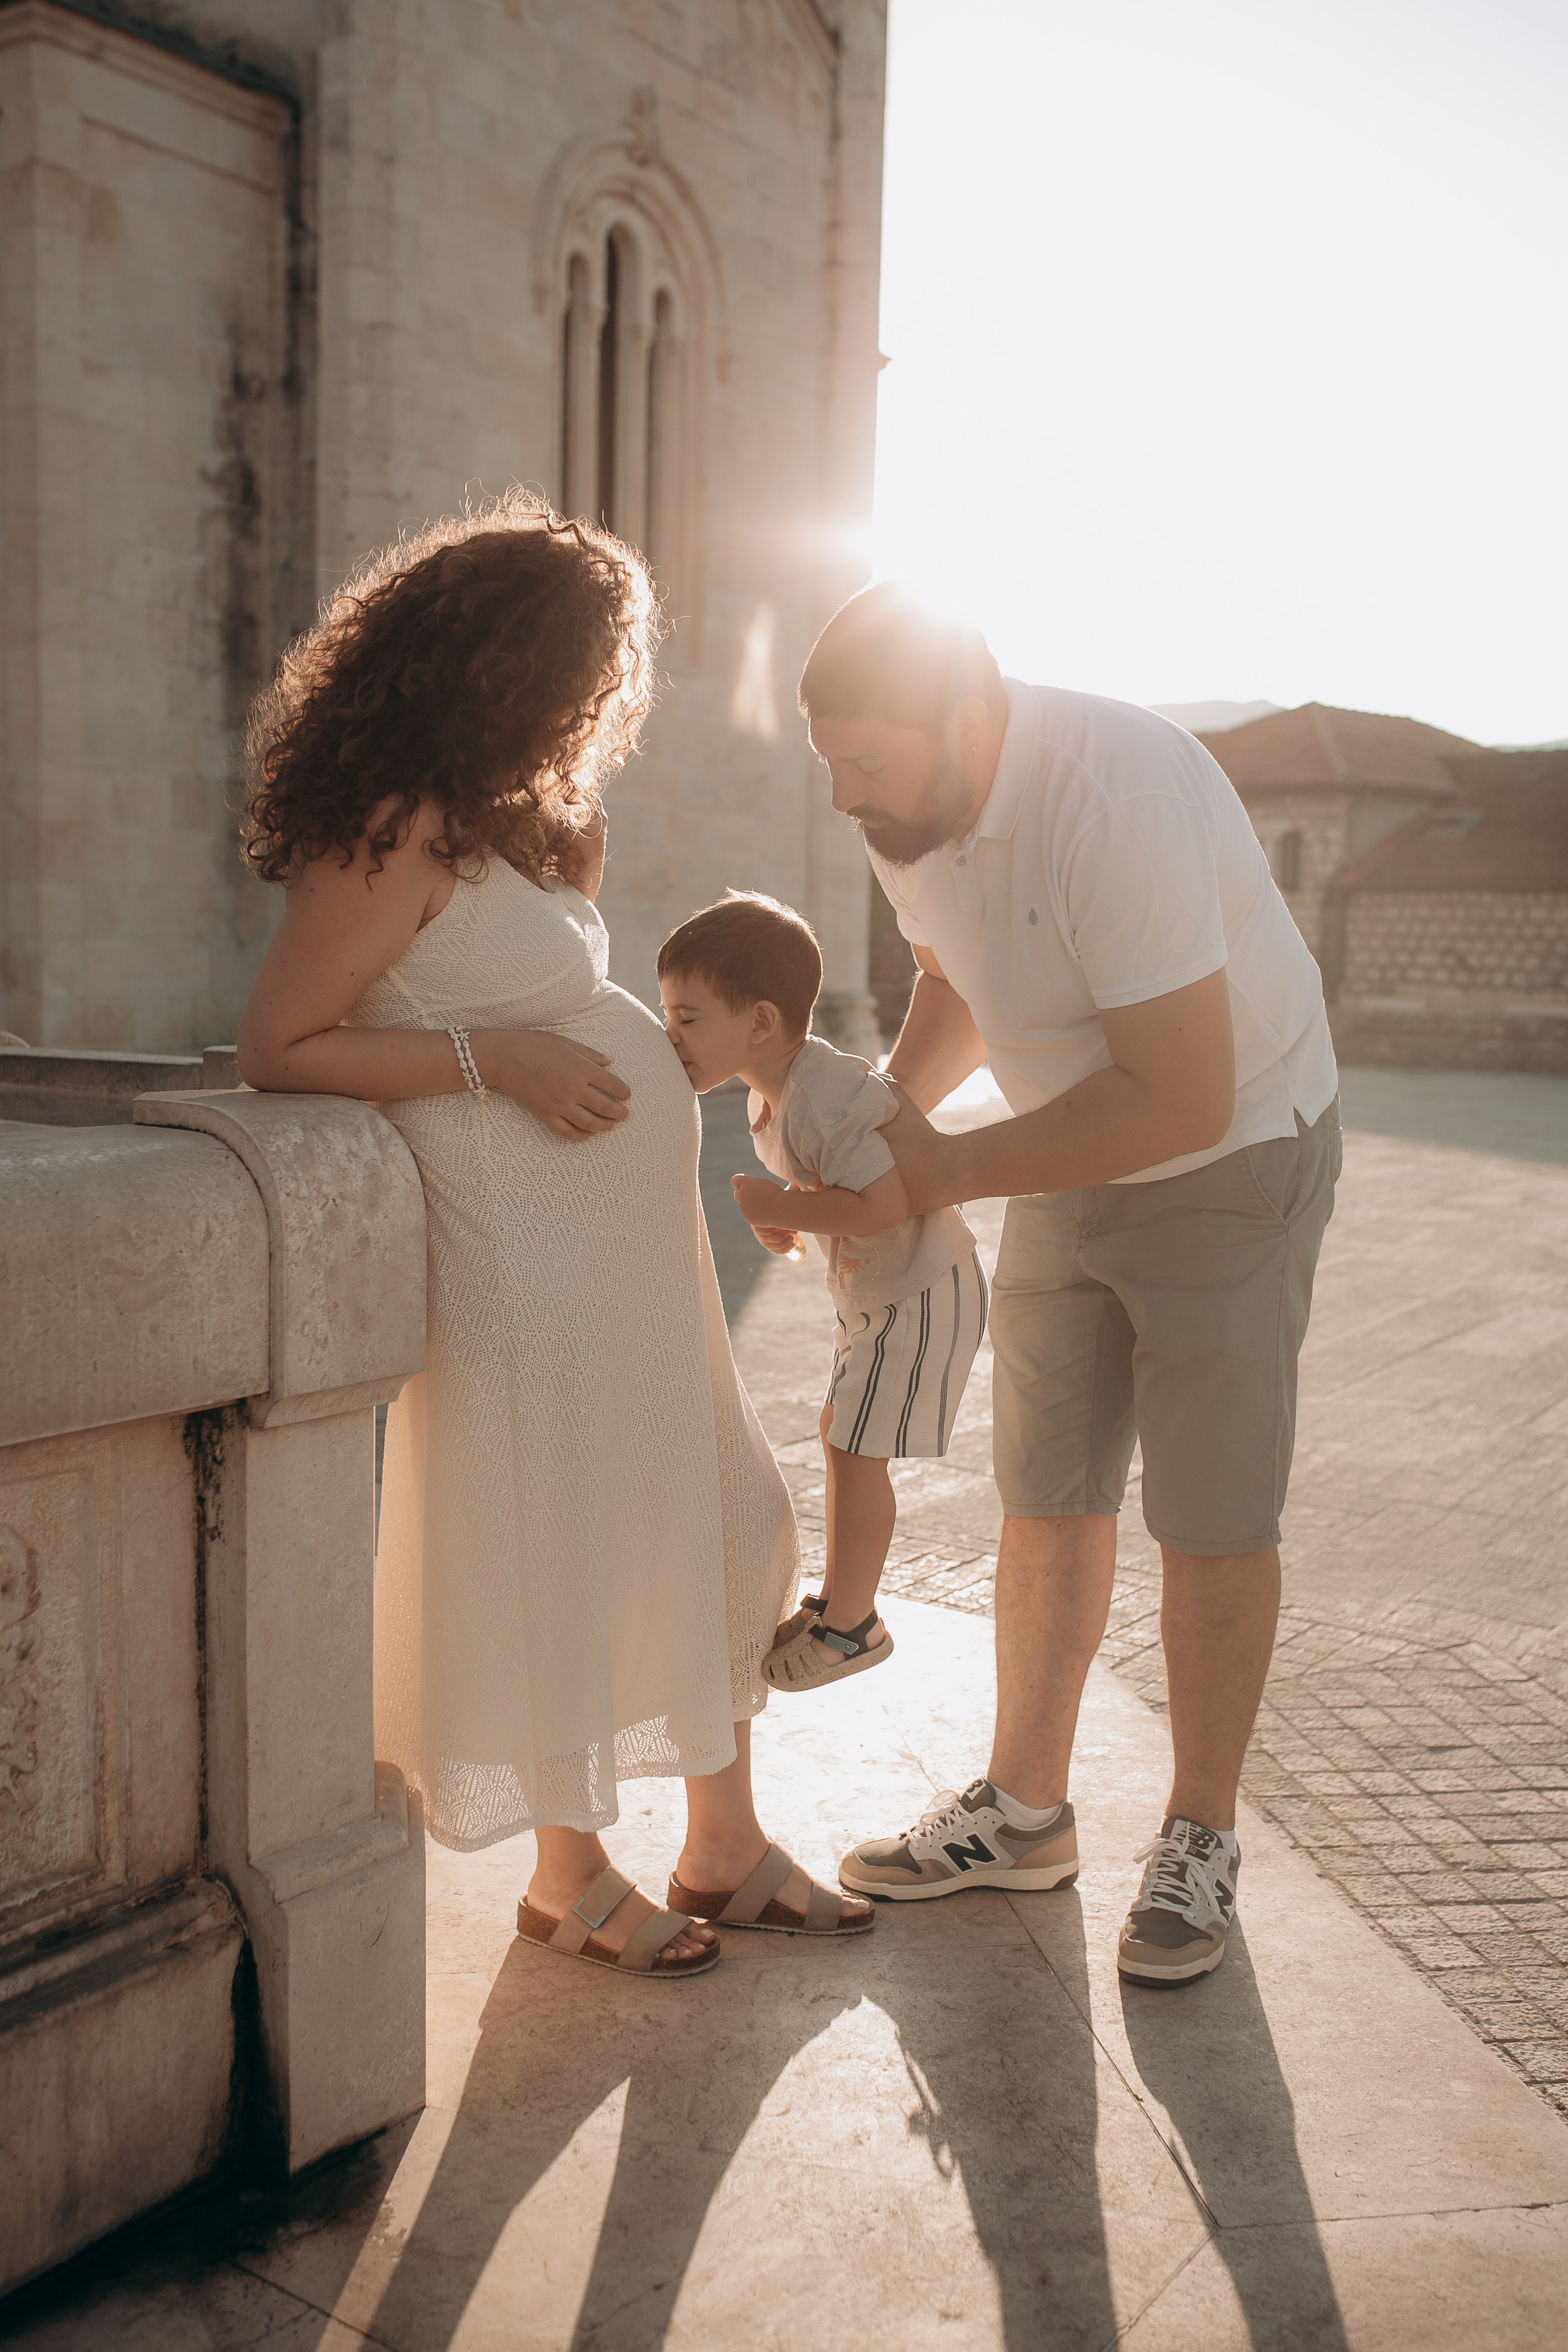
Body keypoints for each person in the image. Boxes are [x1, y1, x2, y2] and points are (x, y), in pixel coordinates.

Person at [237, 494, 872, 1980]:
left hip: (630, 1269)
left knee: (722, 1517)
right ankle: (568, 1877)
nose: (601, 707)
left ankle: (720, 1845)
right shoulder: (383, 828)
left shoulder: (518, 822)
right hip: (515, 1255)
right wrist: (499, 1065)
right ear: (509, 668)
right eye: (588, 675)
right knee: (561, 1544)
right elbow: (280, 1043)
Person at [804, 586, 1340, 1983]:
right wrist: (871, 1128)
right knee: (1045, 1493)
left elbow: (1176, 1095)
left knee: (1209, 1515)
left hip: (1226, 1153)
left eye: (870, 764)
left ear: (966, 720)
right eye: (833, 767)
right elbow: (954, 973)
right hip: (1069, 1146)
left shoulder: (1113, 795)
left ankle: (1198, 1836)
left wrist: (935, 1177)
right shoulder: (904, 813)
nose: (849, 799)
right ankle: (1024, 1813)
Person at [655, 891, 989, 1705]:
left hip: (919, 1286)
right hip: (881, 1292)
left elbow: (886, 1201)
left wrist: (780, 1207)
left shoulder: (824, 1092)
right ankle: (842, 1605)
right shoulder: (770, 1095)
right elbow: (837, 1190)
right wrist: (788, 1220)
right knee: (844, 1434)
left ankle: (852, 1624)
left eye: (689, 1017)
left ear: (761, 1022)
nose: (671, 1035)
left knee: (851, 1444)